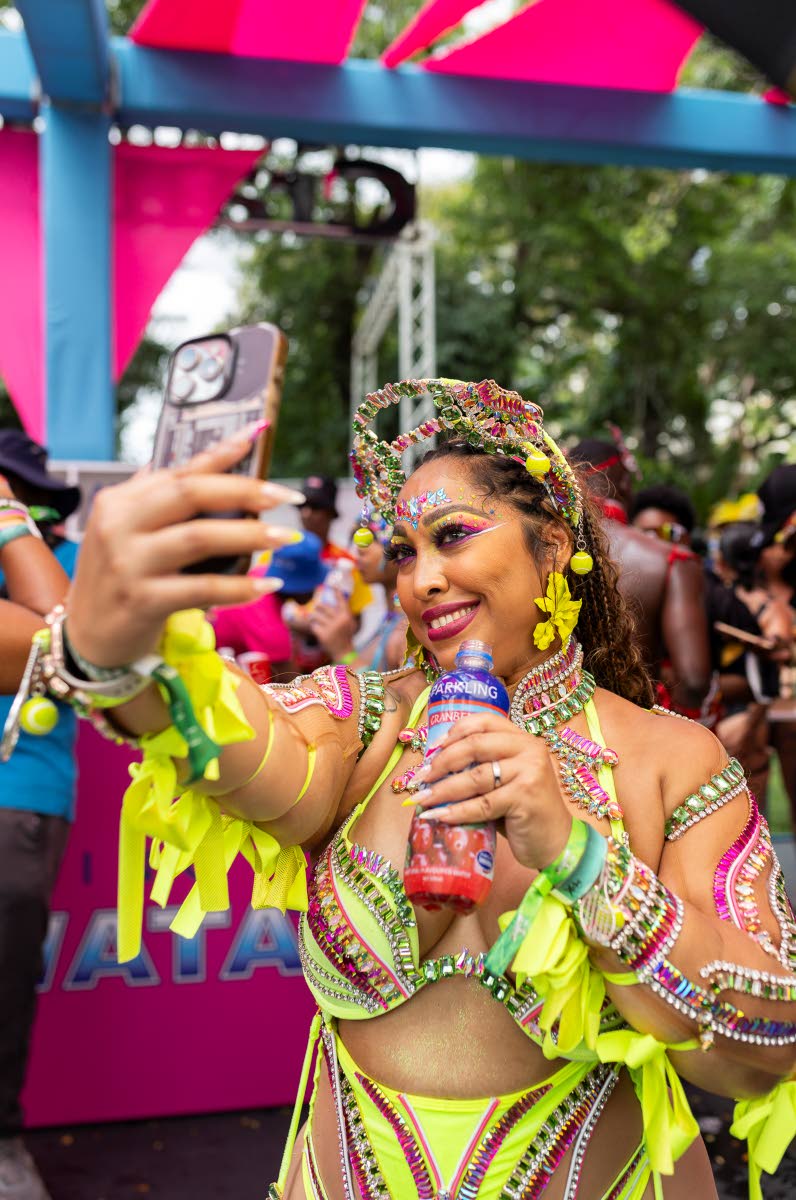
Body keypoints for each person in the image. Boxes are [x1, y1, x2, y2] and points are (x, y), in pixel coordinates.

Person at [24, 383, 796, 1200]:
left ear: (553, 547)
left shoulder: (670, 759)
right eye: (402, 551)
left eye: (453, 537)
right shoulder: (360, 725)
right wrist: (120, 651)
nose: (422, 579)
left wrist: (582, 859)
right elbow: (228, 736)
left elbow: (767, 1043)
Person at [0, 433, 80, 1200]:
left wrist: (9, 525)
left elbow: (68, 641)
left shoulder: (67, 560)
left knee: (3, 971)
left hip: (18, 794)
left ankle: (1, 1144)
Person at [569, 440, 712, 719]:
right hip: (643, 731)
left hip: (558, 730)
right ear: (623, 484)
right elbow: (693, 681)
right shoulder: (670, 559)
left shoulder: (542, 547)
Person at [309, 515, 407, 672]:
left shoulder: (408, 633)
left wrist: (342, 651)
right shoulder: (390, 622)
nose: (359, 549)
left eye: (372, 536)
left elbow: (400, 696)